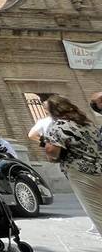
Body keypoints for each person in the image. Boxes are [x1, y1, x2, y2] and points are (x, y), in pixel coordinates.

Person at [43, 95, 102, 235]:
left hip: (83, 174)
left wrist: (52, 156)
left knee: (97, 212)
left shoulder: (58, 125)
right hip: (100, 166)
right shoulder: (88, 123)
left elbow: (52, 151)